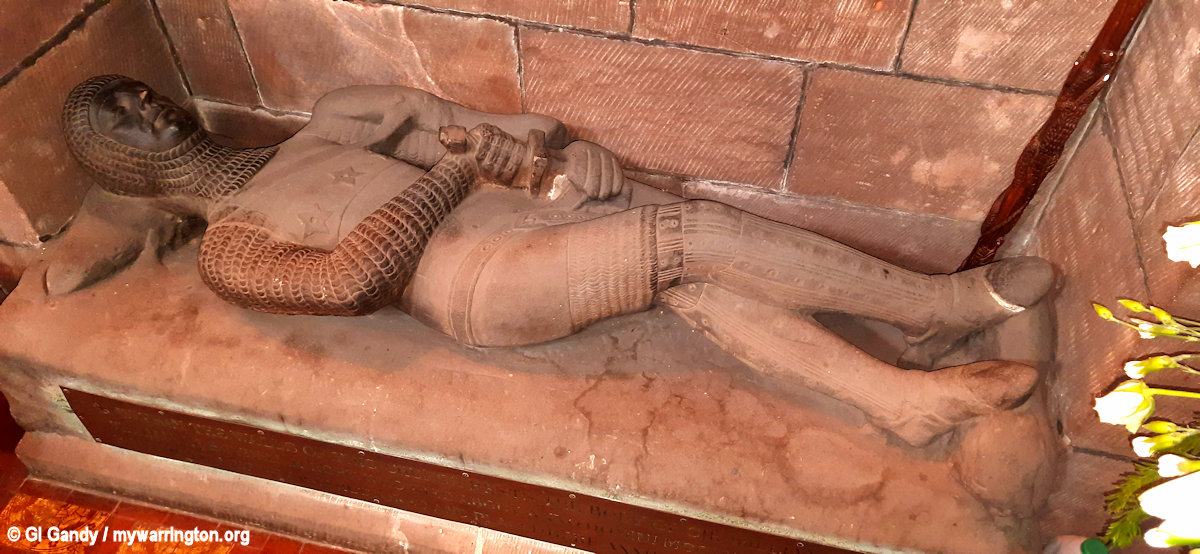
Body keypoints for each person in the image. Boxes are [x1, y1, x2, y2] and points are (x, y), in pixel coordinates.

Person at [62, 74, 1054, 447]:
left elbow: (490, 134)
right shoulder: (231, 249)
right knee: (691, 238)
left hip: (515, 223)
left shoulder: (329, 124)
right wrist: (454, 174)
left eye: (138, 92)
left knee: (688, 278)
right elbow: (353, 278)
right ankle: (934, 307)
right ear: (119, 164)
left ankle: (901, 398)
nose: (144, 106)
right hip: (476, 287)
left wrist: (555, 159)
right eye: (117, 117)